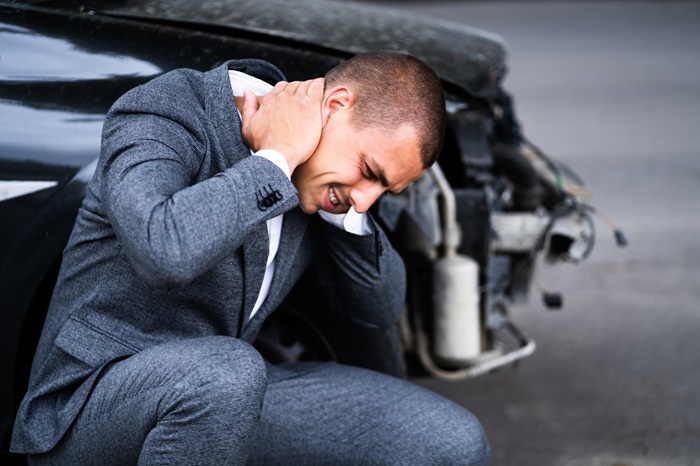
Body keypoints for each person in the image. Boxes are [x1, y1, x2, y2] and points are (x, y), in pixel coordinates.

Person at [11, 51, 491, 465]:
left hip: (220, 402)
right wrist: (276, 158)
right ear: (337, 105)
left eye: (385, 189)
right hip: (86, 408)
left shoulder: (324, 184)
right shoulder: (170, 110)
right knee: (229, 372)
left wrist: (344, 211)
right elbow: (162, 249)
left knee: (451, 440)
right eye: (370, 172)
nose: (366, 199)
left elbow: (379, 307)